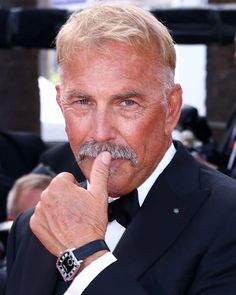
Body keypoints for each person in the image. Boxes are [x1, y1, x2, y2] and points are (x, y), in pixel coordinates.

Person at [5, 3, 236, 295]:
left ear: (171, 108)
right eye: (82, 102)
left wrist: (88, 256)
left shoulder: (228, 220)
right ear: (61, 102)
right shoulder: (32, 226)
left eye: (127, 103)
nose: (101, 133)